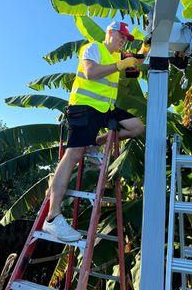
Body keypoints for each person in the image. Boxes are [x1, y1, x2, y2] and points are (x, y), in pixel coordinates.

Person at [43, 21, 146, 242]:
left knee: (136, 127)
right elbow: (90, 73)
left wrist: (143, 52)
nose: (123, 41)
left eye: (126, 39)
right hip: (83, 108)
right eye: (121, 36)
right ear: (110, 33)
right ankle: (52, 218)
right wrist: (120, 65)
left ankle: (93, 144)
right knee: (72, 155)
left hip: (104, 110)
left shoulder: (118, 57)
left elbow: (135, 69)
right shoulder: (93, 48)